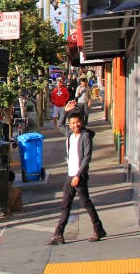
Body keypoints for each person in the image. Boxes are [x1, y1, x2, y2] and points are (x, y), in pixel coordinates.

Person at [49, 101, 106, 244]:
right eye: (72, 123)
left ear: (82, 121)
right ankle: (58, 234)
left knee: (86, 203)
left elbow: (87, 158)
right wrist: (66, 111)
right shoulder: (70, 134)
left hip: (78, 176)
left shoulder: (85, 136)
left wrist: (78, 175)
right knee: (66, 205)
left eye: (77, 122)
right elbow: (61, 125)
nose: (75, 125)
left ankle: (98, 229)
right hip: (70, 175)